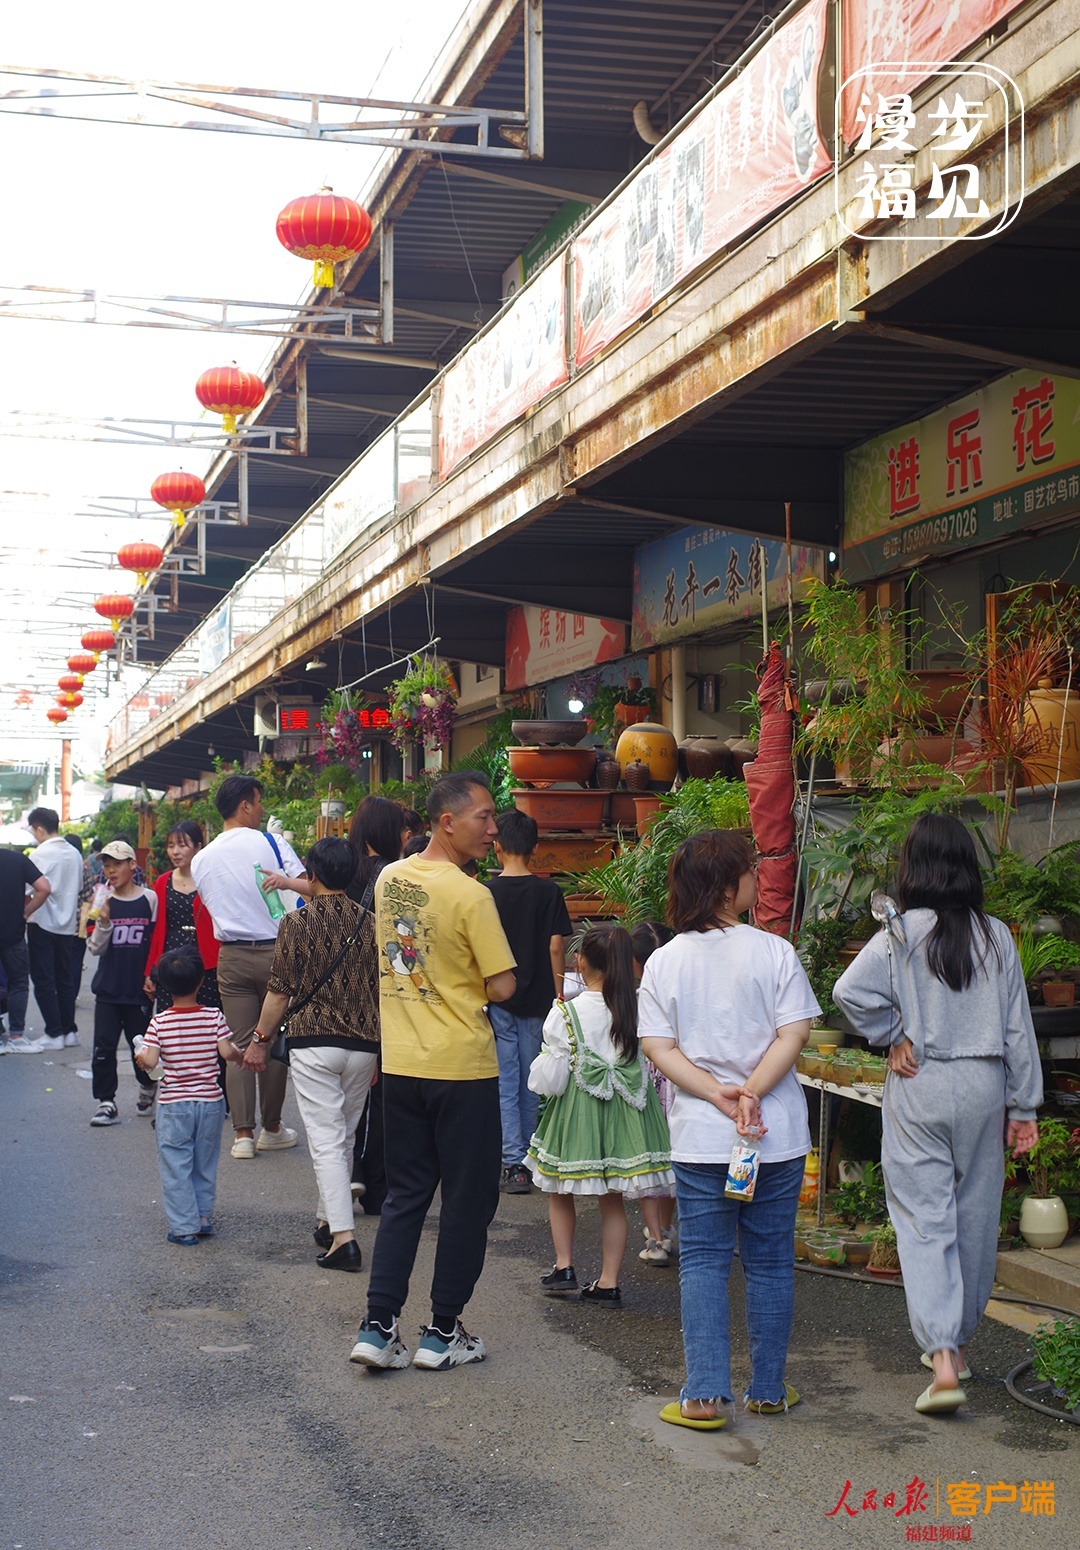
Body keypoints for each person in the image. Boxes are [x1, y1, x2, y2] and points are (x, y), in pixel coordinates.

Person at [833, 814, 1042, 1415]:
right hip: (983, 1082)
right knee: (976, 1215)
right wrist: (1024, 1105)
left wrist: (891, 1032)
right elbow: (1017, 1027)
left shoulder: (899, 932)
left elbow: (849, 992)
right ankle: (961, 1345)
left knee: (924, 1218)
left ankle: (944, 1356)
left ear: (914, 868)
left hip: (920, 1081)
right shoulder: (997, 935)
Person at [638, 830, 819, 1430]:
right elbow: (792, 1035)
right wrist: (753, 1093)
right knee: (769, 1262)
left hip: (703, 1137)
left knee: (704, 1262)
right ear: (726, 885)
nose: (757, 878)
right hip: (774, 1133)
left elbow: (657, 1046)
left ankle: (702, 1396)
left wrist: (715, 1091)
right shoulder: (774, 952)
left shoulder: (665, 960)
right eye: (750, 869)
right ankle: (767, 1389)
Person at [349, 771, 516, 1374]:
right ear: (448, 822)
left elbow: (396, 957)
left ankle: (377, 1325)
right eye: (484, 817)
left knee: (405, 1196)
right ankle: (442, 1331)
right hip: (462, 1068)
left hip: (402, 1064)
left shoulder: (391, 878)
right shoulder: (472, 895)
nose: (493, 829)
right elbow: (502, 984)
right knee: (468, 1202)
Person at [247, 837, 380, 1273]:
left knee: (325, 1139)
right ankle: (327, 1220)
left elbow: (279, 991)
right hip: (363, 1047)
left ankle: (343, 1238)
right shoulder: (372, 924)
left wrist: (260, 1037)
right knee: (342, 1136)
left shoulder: (296, 925)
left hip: (313, 1043)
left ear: (313, 875)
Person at [527, 925, 674, 1303]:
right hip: (626, 1113)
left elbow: (554, 1072)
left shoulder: (567, 1010)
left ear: (581, 963)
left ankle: (564, 1265)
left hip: (577, 1114)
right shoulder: (637, 1008)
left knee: (560, 1190)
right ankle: (608, 1282)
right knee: (611, 1199)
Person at [190, 775, 306, 1160]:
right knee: (269, 1039)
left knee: (239, 1044)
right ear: (245, 805)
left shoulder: (201, 858)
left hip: (232, 956)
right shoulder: (271, 842)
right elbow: (306, 885)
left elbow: (211, 904)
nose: (260, 811)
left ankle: (242, 1134)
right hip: (279, 951)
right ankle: (271, 1128)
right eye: (258, 803)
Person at [486, 808, 573, 1194]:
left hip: (499, 998)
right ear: (535, 848)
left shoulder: (486, 893)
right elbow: (557, 945)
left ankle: (510, 1162)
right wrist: (558, 990)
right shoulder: (549, 891)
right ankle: (528, 1158)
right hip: (539, 998)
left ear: (497, 847)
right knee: (530, 1080)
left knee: (505, 1080)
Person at [135, 950, 235, 1245]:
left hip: (175, 1103)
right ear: (202, 980)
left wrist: (141, 1057)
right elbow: (227, 1053)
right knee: (205, 1161)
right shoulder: (214, 1016)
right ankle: (203, 1217)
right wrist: (241, 1053)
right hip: (211, 1102)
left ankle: (184, 1227)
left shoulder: (159, 1023)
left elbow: (151, 1062)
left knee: (176, 1165)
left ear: (163, 985)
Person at [345, 795, 406, 1216]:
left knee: (346, 1094)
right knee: (381, 1093)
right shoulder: (394, 875)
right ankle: (378, 1183)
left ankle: (350, 1171)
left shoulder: (341, 869)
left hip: (343, 995)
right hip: (383, 995)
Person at [86, 841, 158, 1126]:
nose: (111, 870)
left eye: (117, 863)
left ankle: (147, 1085)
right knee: (103, 1047)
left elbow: (156, 940)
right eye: (106, 864)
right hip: (108, 988)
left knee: (140, 1047)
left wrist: (152, 974)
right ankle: (106, 1102)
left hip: (138, 990)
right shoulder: (103, 901)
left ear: (132, 865)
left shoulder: (150, 899)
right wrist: (103, 922)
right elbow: (95, 948)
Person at [631, 920, 678, 1265]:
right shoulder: (686, 990)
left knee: (652, 1162)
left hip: (647, 1086)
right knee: (675, 1161)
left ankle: (657, 1239)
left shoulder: (635, 997)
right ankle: (665, 1229)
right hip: (683, 1083)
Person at [145, 821, 221, 1012]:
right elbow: (159, 930)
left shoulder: (209, 879)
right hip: (170, 960)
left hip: (206, 961)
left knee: (207, 1016)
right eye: (171, 846)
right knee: (169, 1016)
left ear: (197, 847)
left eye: (182, 845)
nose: (175, 852)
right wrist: (150, 971)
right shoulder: (163, 882)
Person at [26, 807, 84, 1051]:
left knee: (43, 979)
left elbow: (29, 889)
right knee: (65, 979)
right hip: (67, 925)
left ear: (40, 828)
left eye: (33, 830)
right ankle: (69, 1030)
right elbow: (79, 887)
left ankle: (54, 1032)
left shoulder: (41, 854)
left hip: (42, 922)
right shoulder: (74, 854)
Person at [0, 843, 51, 1050]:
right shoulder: (17, 859)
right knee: (19, 983)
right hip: (13, 933)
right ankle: (16, 1037)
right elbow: (44, 888)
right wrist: (26, 912)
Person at [65, 832, 92, 1044]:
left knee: (63, 962)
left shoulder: (62, 864)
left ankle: (63, 994)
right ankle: (71, 994)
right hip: (79, 921)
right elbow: (87, 896)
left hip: (59, 923)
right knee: (76, 961)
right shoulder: (83, 866)